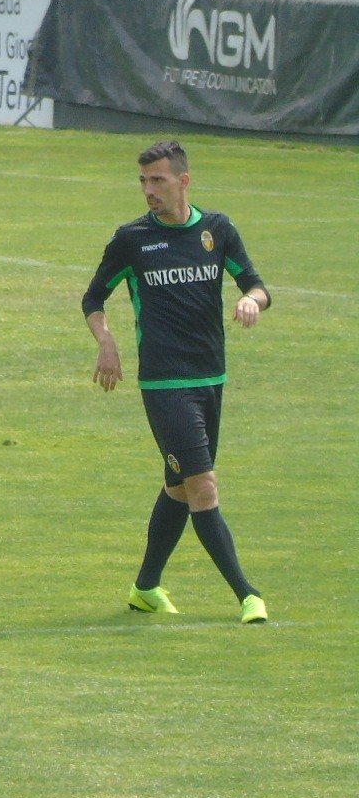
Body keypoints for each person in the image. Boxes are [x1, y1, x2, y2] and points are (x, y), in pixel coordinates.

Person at [83, 140, 271, 624]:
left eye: (158, 181)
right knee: (203, 485)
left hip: (212, 377)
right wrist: (106, 340)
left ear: (183, 181)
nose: (148, 190)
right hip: (164, 384)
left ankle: (145, 588)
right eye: (143, 181)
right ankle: (247, 595)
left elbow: (256, 283)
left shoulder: (217, 230)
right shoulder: (133, 240)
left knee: (180, 488)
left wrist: (252, 300)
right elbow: (93, 298)